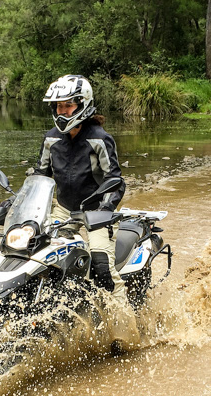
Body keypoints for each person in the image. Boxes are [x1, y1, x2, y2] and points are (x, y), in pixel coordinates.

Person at [34, 74, 139, 347]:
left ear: (83, 104)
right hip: (63, 210)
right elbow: (39, 178)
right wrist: (21, 203)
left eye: (67, 105)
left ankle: (126, 328)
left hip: (95, 212)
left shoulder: (100, 139)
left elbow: (115, 181)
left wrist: (106, 208)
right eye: (58, 106)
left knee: (102, 266)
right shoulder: (49, 139)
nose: (62, 111)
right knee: (35, 253)